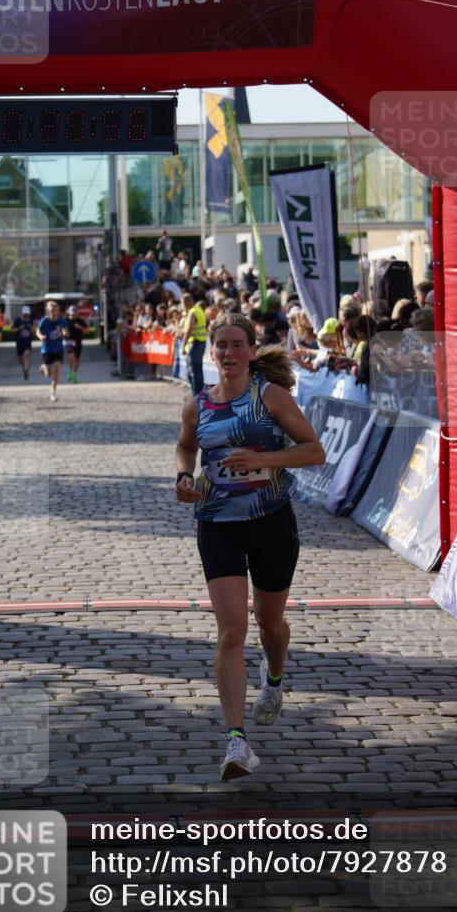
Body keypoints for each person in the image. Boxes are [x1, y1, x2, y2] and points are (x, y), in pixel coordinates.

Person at [175, 313, 325, 781]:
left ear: (251, 350)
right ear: (212, 350)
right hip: (217, 522)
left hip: (271, 522)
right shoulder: (197, 404)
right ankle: (236, 742)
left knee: (270, 622)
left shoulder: (270, 396)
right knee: (231, 632)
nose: (228, 353)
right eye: (221, 345)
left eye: (237, 345)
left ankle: (274, 679)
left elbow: (313, 450)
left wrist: (265, 459)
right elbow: (185, 447)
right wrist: (183, 475)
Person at [36, 299, 67, 402]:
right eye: (50, 311)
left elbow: (65, 329)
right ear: (48, 312)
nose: (52, 313)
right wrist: (41, 336)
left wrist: (65, 333)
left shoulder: (61, 320)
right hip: (47, 349)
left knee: (57, 370)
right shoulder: (44, 320)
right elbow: (37, 331)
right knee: (48, 374)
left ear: (58, 311)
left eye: (54, 311)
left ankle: (53, 392)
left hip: (58, 349)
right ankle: (43, 367)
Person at [182, 291, 208, 396]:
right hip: (201, 342)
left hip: (195, 343)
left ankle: (195, 396)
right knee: (198, 371)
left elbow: (189, 330)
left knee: (192, 372)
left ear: (186, 302)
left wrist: (183, 345)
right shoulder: (199, 310)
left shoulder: (192, 312)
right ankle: (201, 395)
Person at [65, 305, 88, 383]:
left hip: (78, 341)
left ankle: (73, 374)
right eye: (71, 314)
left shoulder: (80, 321)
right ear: (69, 313)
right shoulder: (66, 321)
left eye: (74, 313)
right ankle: (71, 370)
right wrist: (64, 333)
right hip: (69, 341)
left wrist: (80, 327)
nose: (73, 315)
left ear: (77, 313)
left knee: (77, 359)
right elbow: (61, 330)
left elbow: (87, 331)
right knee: (71, 356)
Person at [12, 306, 34, 380]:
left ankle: (26, 370)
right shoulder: (17, 321)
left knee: (26, 357)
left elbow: (33, 328)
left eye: (27, 314)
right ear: (22, 313)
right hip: (19, 343)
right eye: (25, 314)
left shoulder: (31, 320)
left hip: (27, 343)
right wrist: (18, 328)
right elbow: (13, 330)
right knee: (20, 360)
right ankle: (25, 367)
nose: (26, 315)